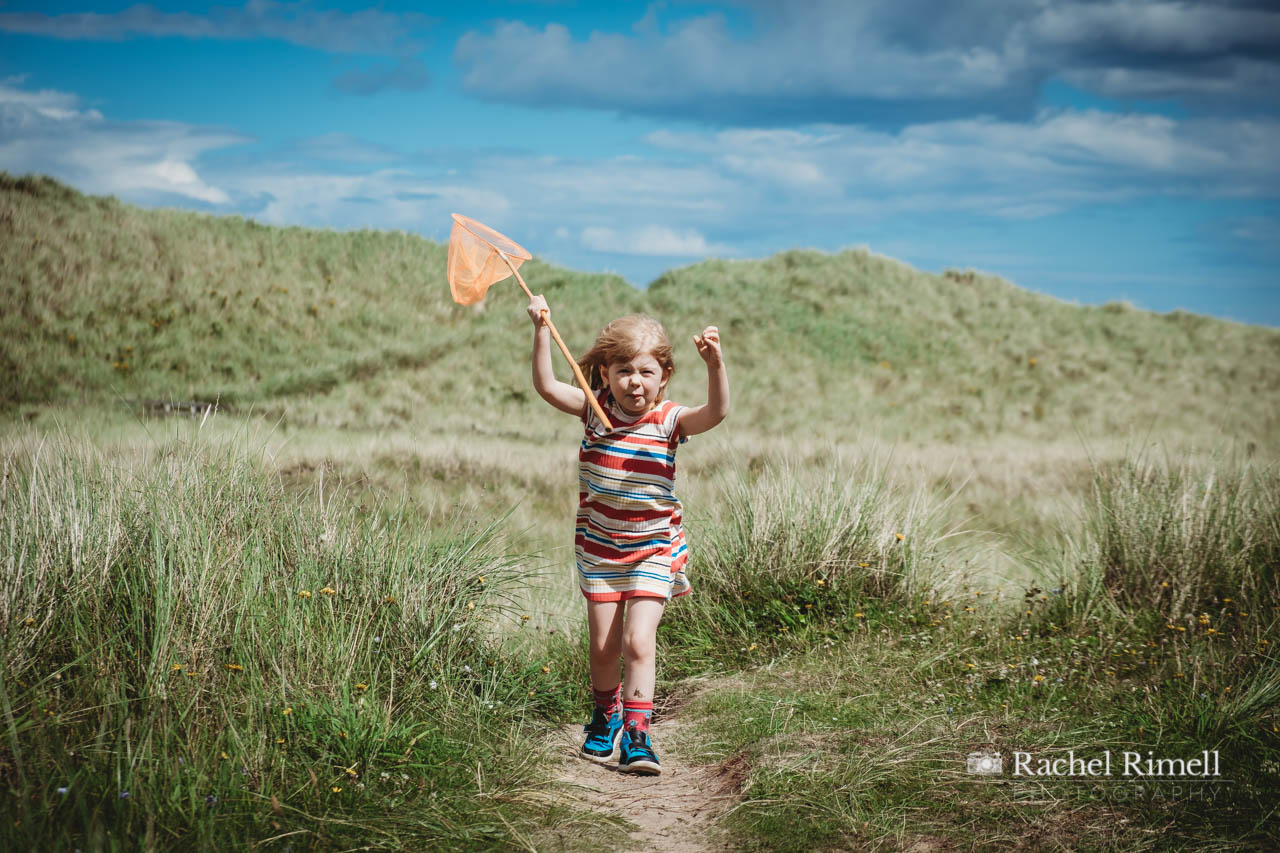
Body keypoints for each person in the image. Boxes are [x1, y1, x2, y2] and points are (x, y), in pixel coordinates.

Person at [526, 294, 729, 775]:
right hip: (600, 552)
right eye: (622, 371)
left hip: (654, 551)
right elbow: (548, 387)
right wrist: (540, 329)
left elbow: (716, 413)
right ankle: (604, 717)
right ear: (604, 375)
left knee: (639, 642)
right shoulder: (594, 411)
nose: (633, 382)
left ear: (664, 377)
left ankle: (638, 736)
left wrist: (715, 364)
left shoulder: (669, 420)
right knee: (603, 647)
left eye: (645, 372)